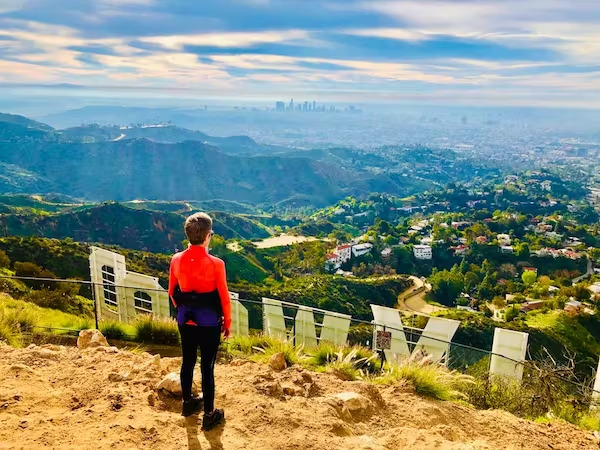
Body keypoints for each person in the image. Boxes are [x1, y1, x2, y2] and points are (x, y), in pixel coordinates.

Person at [168, 212, 231, 430]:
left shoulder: (176, 259)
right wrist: (228, 322)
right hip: (209, 323)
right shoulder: (216, 264)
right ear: (207, 236)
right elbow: (224, 297)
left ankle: (187, 404)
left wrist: (185, 311)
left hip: (186, 320)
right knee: (207, 366)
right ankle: (209, 414)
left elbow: (172, 292)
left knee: (187, 361)